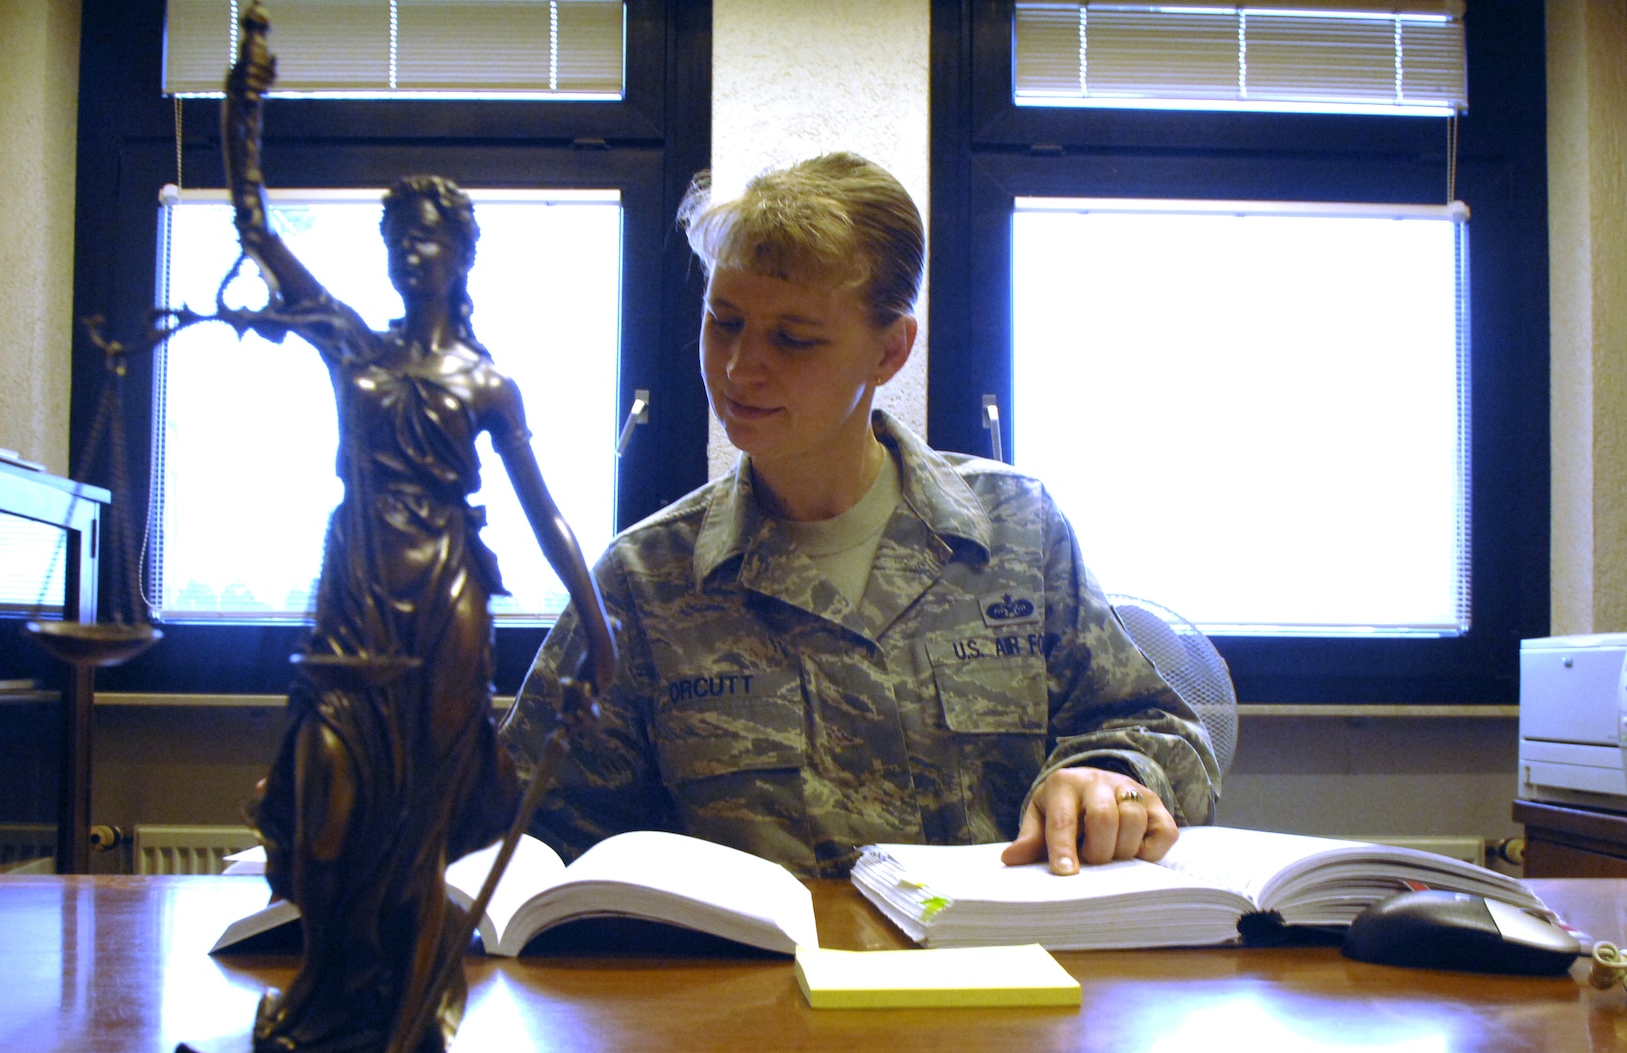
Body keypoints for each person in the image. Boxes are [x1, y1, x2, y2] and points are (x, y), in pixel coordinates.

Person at [502, 152, 1214, 880]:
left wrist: (1111, 778)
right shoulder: (647, 581)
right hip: (753, 989)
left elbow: (1161, 733)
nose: (741, 368)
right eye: (725, 323)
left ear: (890, 351)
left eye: (793, 338)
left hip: (999, 977)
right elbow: (527, 826)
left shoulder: (1015, 532)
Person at [221, 2, 615, 1053]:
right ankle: (326, 995)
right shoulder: (349, 341)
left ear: (459, 257)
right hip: (351, 597)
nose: (410, 253)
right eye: (397, 239)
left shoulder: (487, 382)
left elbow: (542, 508)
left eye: (429, 240)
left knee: (417, 827)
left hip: (444, 605)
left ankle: (398, 1018)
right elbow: (254, 232)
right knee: (326, 809)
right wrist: (242, 105)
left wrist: (596, 621)